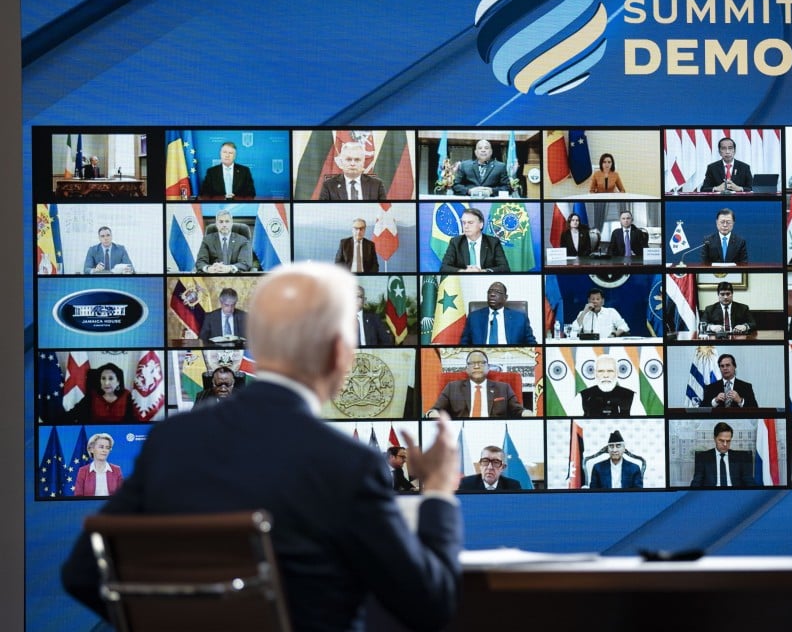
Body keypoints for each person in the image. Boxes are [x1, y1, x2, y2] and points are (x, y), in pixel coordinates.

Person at [62, 262, 464, 632]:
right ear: (340, 352)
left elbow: (82, 574)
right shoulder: (349, 465)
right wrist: (439, 493)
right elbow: (428, 606)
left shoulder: (171, 441)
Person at [425, 350, 524, 418]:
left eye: (481, 363)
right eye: (472, 363)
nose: (476, 366)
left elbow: (518, 410)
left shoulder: (503, 388)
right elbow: (435, 410)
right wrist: (432, 414)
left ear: (488, 367)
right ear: (467, 369)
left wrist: (527, 413)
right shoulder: (452, 387)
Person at [460, 281, 537, 345]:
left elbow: (532, 344)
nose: (492, 294)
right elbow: (464, 343)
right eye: (490, 292)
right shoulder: (474, 317)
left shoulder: (520, 318)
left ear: (505, 297)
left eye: (497, 292)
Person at [440, 207, 510, 273]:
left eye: (470, 223)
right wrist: (464, 272)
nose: (466, 226)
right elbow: (444, 267)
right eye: (464, 223)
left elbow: (504, 268)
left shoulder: (493, 242)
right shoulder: (455, 242)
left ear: (481, 225)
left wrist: (483, 272)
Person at [690, 422, 756, 487]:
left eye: (728, 441)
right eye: (721, 441)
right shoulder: (703, 458)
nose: (725, 444)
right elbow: (696, 483)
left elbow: (750, 483)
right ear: (714, 438)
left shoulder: (742, 458)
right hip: (711, 495)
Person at [319, 142, 387, 200]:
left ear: (363, 162)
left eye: (357, 160)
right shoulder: (329, 185)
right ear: (341, 162)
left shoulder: (377, 185)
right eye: (348, 159)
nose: (352, 163)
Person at [73, 433, 122, 497]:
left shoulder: (116, 470)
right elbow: (78, 497)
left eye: (107, 448)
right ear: (92, 449)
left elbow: (122, 495)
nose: (104, 450)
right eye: (101, 447)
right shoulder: (83, 471)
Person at [458, 446, 522, 491]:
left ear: (503, 467)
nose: (490, 467)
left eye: (496, 462)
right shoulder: (466, 484)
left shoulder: (513, 486)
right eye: (485, 461)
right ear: (480, 465)